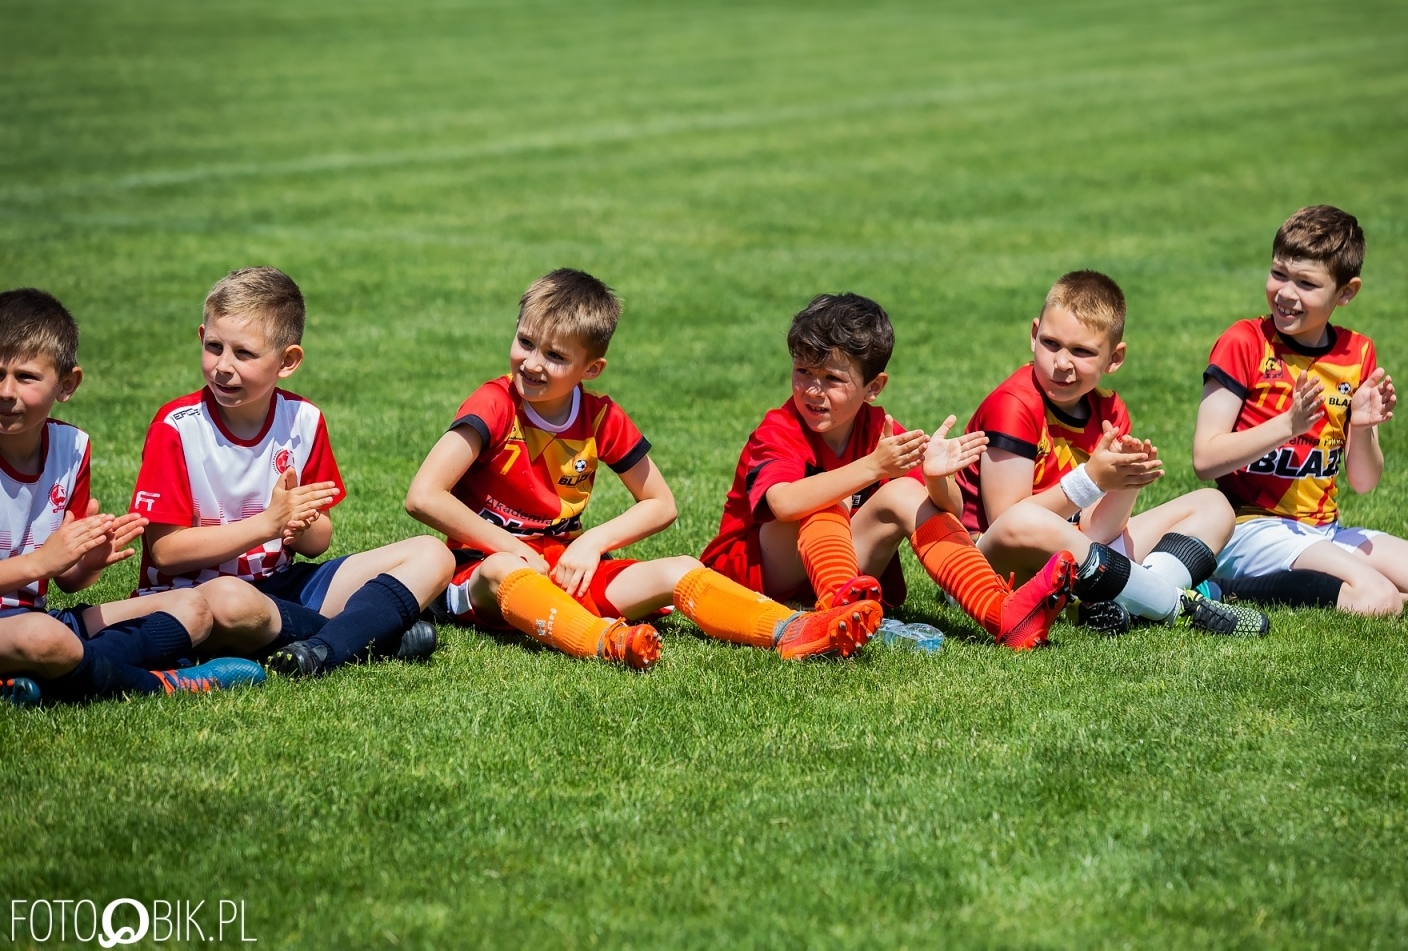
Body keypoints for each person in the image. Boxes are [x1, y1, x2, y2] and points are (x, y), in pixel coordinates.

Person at [405, 269, 881, 669]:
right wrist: (509, 546)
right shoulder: (493, 402)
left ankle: (795, 628)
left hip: (564, 568)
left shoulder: (601, 417)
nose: (532, 363)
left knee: (680, 568)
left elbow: (661, 505)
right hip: (480, 573)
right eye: (525, 341)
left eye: (555, 355)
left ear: (591, 370)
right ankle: (604, 640)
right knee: (506, 568)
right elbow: (424, 495)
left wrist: (592, 542)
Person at [702, 292, 1076, 650]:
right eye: (802, 371)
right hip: (749, 584)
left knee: (904, 494)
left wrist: (935, 479)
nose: (813, 390)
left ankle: (1001, 613)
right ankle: (837, 613)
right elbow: (783, 504)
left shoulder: (880, 431)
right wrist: (871, 467)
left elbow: (952, 511)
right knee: (827, 496)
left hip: (834, 573)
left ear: (873, 387)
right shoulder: (780, 428)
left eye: (832, 379)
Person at [129, 267, 453, 677]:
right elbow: (166, 553)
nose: (223, 366)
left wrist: (299, 525)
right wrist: (267, 524)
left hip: (283, 588)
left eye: (244, 353)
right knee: (232, 599)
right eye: (214, 347)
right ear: (200, 337)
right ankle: (361, 638)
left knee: (432, 554)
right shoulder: (177, 426)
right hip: (192, 596)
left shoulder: (304, 420)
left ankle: (323, 645)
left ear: (288, 361)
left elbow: (318, 542)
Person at [956, 270, 1268, 637]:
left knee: (1214, 506)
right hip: (990, 568)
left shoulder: (1111, 410)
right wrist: (1090, 480)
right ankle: (1174, 604)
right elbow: (1006, 522)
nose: (1062, 362)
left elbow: (1096, 528)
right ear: (1033, 334)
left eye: (1082, 351)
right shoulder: (1013, 404)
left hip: (1081, 556)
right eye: (1051, 343)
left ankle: (1117, 603)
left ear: (1114, 358)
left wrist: (1126, 484)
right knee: (1023, 522)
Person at [1192, 205, 1408, 616]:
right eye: (1279, 273)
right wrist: (1289, 424)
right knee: (1376, 597)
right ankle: (1226, 589)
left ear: (1346, 292)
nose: (1285, 293)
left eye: (1306, 283)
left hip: (1324, 529)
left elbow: (1364, 481)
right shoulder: (1244, 341)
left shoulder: (1357, 353)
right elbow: (1205, 459)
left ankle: (1350, 594)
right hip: (1249, 528)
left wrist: (1365, 427)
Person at [0, 288, 264, 705]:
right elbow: (39, 566)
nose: (6, 391)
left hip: (40, 619)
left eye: (26, 377)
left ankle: (48, 678)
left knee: (191, 607)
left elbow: (66, 582)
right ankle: (155, 683)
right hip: (31, 629)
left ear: (67, 384)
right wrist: (38, 562)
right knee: (43, 636)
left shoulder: (71, 448)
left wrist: (85, 562)